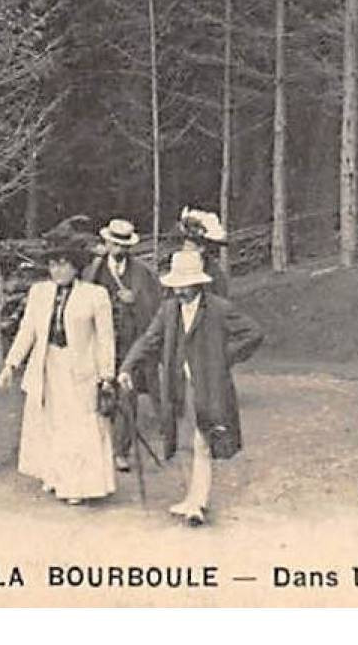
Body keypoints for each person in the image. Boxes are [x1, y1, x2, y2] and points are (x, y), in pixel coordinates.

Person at [119, 247, 263, 525]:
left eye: (184, 286)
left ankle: (198, 502)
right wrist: (127, 367)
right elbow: (149, 340)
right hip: (177, 386)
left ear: (197, 283)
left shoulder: (219, 309)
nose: (179, 291)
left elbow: (254, 333)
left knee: (202, 442)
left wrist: (223, 357)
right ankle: (191, 497)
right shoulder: (169, 309)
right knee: (183, 442)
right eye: (176, 285)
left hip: (209, 387)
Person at [0, 231, 117, 506]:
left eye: (64, 263)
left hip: (80, 369)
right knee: (51, 422)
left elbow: (105, 340)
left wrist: (107, 375)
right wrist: (11, 364)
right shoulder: (39, 292)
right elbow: (27, 331)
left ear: (76, 266)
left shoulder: (95, 295)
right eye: (53, 264)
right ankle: (55, 476)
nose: (57, 269)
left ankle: (80, 485)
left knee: (78, 425)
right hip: (48, 365)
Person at [86, 218, 162, 472]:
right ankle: (96, 447)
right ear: (106, 243)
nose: (118, 250)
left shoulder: (143, 273)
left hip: (130, 343)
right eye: (114, 244)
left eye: (123, 246)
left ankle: (121, 451)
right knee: (99, 395)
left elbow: (154, 313)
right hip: (101, 342)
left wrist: (134, 301)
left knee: (127, 395)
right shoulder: (93, 271)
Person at [178, 207, 231, 298]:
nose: (187, 248)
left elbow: (220, 303)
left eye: (194, 244)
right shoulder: (174, 267)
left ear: (203, 248)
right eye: (186, 243)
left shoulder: (214, 274)